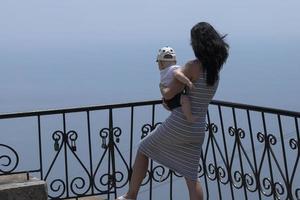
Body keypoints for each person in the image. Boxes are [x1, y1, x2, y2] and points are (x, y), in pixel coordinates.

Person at [116, 22, 229, 200]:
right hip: (198, 126)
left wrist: (162, 91)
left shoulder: (192, 66)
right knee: (192, 176)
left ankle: (131, 196)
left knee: (144, 148)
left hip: (180, 123)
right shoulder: (215, 72)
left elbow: (169, 94)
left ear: (198, 44)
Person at [156, 46, 197, 122]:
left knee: (179, 102)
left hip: (167, 100)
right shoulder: (175, 68)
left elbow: (164, 84)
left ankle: (172, 109)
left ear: (160, 63)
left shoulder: (165, 72)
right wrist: (188, 82)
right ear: (175, 61)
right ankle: (189, 117)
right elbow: (178, 75)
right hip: (175, 97)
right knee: (185, 100)